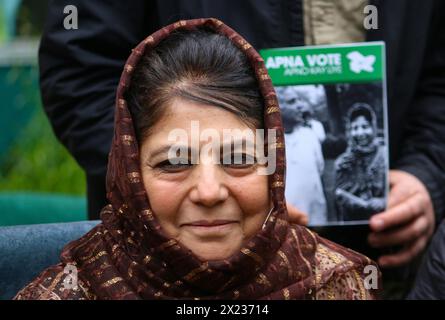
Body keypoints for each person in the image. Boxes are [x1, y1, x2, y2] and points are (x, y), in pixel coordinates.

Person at [40, 0, 445, 275]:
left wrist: (427, 171)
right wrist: (158, 187)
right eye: (175, 160)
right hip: (172, 265)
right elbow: (80, 69)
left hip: (385, 260)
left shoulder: (352, 287)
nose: (211, 189)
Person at [15, 19, 379, 300]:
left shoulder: (340, 284)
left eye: (238, 158)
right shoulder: (73, 290)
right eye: (173, 163)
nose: (208, 192)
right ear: (130, 174)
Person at [277, 87, 328, 225]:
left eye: (299, 99)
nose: (301, 105)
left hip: (316, 220)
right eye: (292, 101)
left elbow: (320, 169)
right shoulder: (266, 141)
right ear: (276, 106)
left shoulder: (310, 135)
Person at [334, 103, 386, 221]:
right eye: (355, 128)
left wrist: (384, 201)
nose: (360, 133)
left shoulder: (385, 155)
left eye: (365, 126)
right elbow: (339, 200)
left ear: (373, 127)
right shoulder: (343, 162)